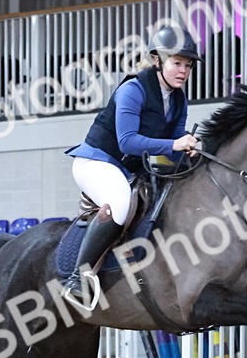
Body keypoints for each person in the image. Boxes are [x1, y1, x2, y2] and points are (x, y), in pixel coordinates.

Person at [62, 25, 203, 309]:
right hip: (96, 161)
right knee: (120, 201)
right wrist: (176, 145)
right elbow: (127, 142)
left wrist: (193, 153)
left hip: (128, 169)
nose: (183, 71)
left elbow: (172, 147)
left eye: (187, 65)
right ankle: (78, 276)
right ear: (157, 61)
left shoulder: (178, 99)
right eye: (177, 63)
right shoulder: (133, 89)